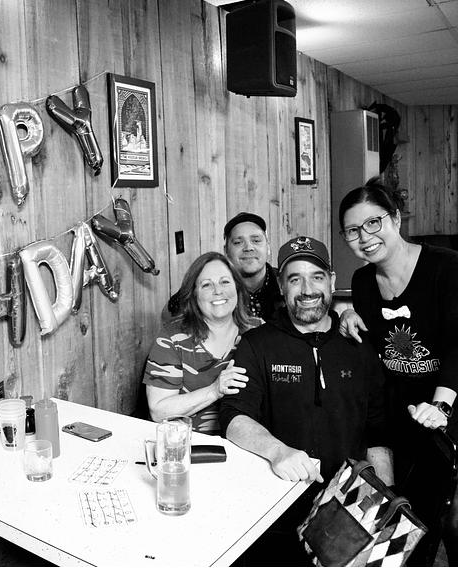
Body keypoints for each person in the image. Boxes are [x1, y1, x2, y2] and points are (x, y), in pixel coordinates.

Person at [219, 235, 392, 566]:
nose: (308, 289)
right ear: (281, 286)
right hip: (273, 510)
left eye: (317, 277)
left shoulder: (359, 346)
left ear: (332, 281)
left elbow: (377, 432)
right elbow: (234, 417)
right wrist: (277, 451)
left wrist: (383, 502)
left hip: (345, 513)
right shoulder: (256, 344)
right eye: (295, 279)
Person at [338, 178, 458, 565]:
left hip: (447, 405)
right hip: (400, 416)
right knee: (407, 521)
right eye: (352, 231)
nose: (364, 237)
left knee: (452, 522)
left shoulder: (445, 267)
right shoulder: (361, 282)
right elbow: (376, 345)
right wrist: (348, 316)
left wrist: (440, 407)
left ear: (395, 219)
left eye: (373, 222)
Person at [143, 252, 260, 431]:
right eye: (206, 285)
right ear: (194, 295)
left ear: (237, 288)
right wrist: (214, 390)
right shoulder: (172, 338)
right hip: (190, 443)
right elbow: (158, 411)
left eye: (225, 282)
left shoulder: (259, 331)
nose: (218, 291)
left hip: (247, 440)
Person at [223, 212, 283, 321]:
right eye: (238, 242)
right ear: (226, 251)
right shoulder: (216, 291)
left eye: (256, 241)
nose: (248, 247)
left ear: (268, 247)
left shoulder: (286, 285)